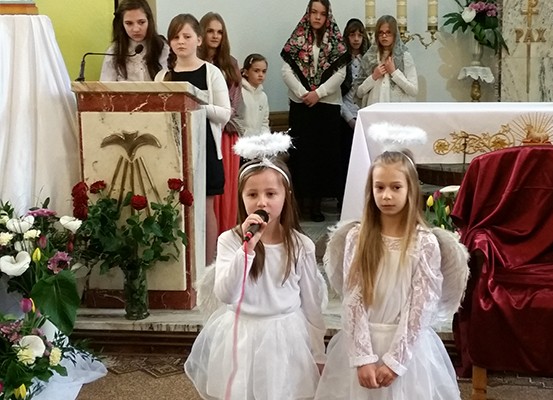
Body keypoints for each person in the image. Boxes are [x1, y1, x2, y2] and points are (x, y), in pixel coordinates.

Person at [185, 133, 327, 400]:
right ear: (242, 198)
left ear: (286, 196)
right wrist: (247, 249)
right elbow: (226, 293)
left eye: (271, 194)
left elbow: (312, 304)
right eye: (252, 194)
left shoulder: (301, 245)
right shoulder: (230, 241)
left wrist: (318, 353)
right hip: (243, 335)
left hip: (285, 336)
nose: (262, 202)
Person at [315, 145, 463, 399]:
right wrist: (363, 358)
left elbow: (421, 306)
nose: (386, 195)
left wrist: (396, 361)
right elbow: (353, 299)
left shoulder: (424, 242)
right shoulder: (357, 237)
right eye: (379, 187)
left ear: (411, 189)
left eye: (396, 187)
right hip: (363, 343)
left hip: (409, 350)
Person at [154, 14, 231, 265]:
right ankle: (178, 266)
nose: (181, 42)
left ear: (199, 39)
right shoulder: (162, 77)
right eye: (175, 37)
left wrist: (194, 104)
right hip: (172, 150)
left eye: (186, 36)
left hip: (206, 147)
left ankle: (207, 267)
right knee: (173, 206)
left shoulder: (211, 72)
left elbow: (225, 113)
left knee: (205, 209)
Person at [281, 0, 349, 222]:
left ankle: (317, 205)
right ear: (308, 14)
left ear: (328, 16)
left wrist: (318, 93)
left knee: (322, 156)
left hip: (327, 107)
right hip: (302, 106)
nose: (318, 17)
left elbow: (340, 73)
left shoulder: (336, 41)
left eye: (322, 13)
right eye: (314, 12)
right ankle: (301, 203)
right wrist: (304, 93)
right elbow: (286, 70)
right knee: (302, 155)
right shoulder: (297, 38)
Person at [198, 12, 243, 235]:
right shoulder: (194, 63)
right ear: (201, 33)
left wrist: (220, 119)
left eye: (220, 32)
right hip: (200, 130)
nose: (215, 36)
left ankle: (224, 238)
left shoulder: (230, 63)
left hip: (226, 132)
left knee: (222, 191)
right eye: (210, 31)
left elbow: (234, 102)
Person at [337, 18, 370, 210]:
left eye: (360, 35)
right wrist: (349, 118)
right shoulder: (341, 60)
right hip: (345, 117)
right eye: (352, 35)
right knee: (345, 160)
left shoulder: (369, 59)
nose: (356, 39)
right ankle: (344, 199)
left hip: (365, 115)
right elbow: (338, 95)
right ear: (346, 37)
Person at [354, 15, 418, 107]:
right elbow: (359, 93)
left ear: (395, 34)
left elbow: (413, 90)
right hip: (374, 109)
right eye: (381, 33)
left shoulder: (404, 56)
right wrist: (374, 77)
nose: (384, 36)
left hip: (398, 110)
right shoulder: (369, 57)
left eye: (388, 32)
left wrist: (394, 73)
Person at [100, 0, 169, 81]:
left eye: (141, 22)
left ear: (149, 21)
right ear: (122, 24)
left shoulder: (162, 47)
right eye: (129, 23)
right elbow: (106, 84)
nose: (136, 29)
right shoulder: (114, 51)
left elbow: (169, 82)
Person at [239, 53, 270, 136]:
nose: (261, 75)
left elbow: (264, 122)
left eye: (264, 71)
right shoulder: (240, 92)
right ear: (246, 72)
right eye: (256, 71)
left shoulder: (263, 96)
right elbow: (237, 121)